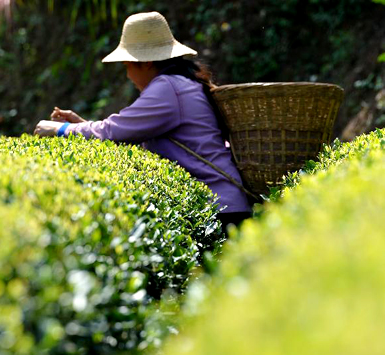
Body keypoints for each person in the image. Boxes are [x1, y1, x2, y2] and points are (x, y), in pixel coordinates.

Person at [33, 11, 251, 234]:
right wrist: (82, 124)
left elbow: (111, 131)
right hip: (225, 206)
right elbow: (124, 130)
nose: (127, 75)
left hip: (219, 211)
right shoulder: (181, 83)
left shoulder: (167, 88)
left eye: (127, 65)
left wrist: (61, 129)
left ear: (146, 61)